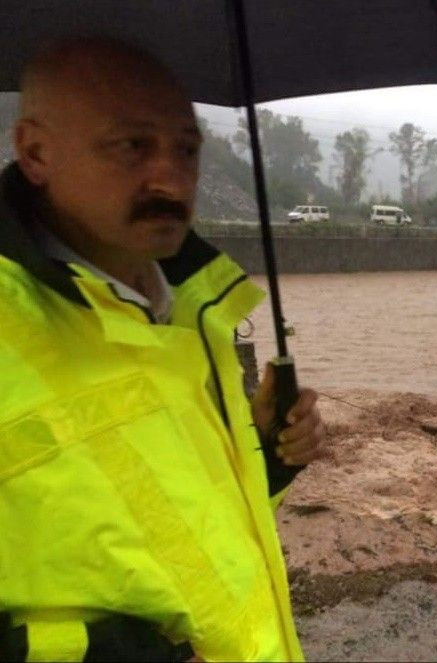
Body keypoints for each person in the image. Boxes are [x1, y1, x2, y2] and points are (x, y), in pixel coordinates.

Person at [0, 37, 323, 662]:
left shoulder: (188, 316)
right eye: (131, 146)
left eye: (186, 150)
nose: (170, 178)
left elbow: (187, 530)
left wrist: (264, 452)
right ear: (36, 152)